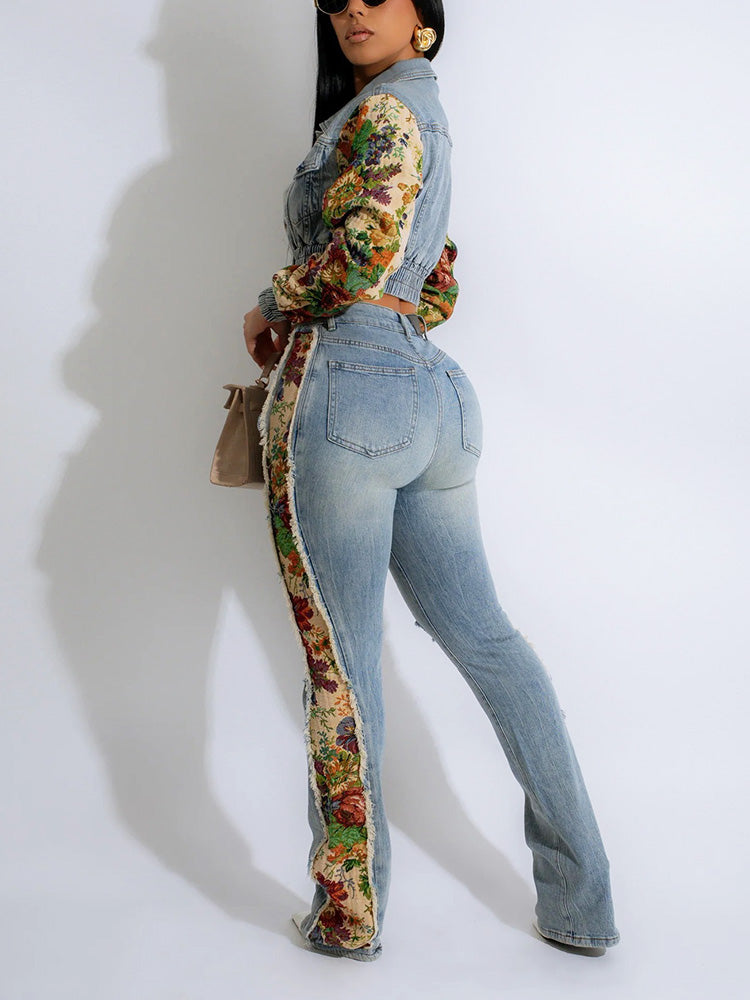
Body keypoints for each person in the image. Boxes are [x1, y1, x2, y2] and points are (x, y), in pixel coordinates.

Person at [243, 0, 620, 963]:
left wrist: (273, 302)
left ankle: (348, 914)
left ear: (426, 16)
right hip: (435, 398)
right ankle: (582, 901)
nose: (352, 9)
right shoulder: (427, 116)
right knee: (489, 641)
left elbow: (363, 250)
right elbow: (435, 280)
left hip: (348, 392)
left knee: (342, 662)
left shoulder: (379, 113)